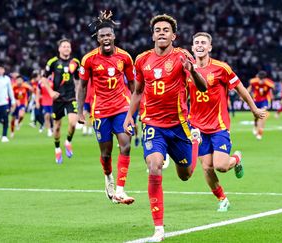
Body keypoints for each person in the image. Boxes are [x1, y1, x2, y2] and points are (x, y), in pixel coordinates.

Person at [122, 14, 207, 242]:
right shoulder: (142, 60)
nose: (161, 32)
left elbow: (203, 87)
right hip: (153, 124)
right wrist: (130, 116)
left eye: (166, 30)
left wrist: (194, 70)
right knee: (154, 165)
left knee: (186, 175)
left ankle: (195, 141)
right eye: (158, 29)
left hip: (179, 126)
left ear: (173, 36)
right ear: (152, 35)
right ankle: (158, 228)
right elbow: (138, 91)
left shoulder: (182, 57)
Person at [188, 32, 266, 212]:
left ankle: (236, 158)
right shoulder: (187, 70)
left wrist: (254, 109)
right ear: (192, 48)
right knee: (207, 167)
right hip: (197, 127)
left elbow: (240, 88)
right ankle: (222, 199)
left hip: (218, 125)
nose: (199, 45)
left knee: (221, 166)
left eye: (203, 43)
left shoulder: (221, 68)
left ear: (209, 48)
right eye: (196, 42)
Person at [77, 10, 135, 205]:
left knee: (125, 145)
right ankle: (108, 177)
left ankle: (120, 189)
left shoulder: (125, 57)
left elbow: (134, 84)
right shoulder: (89, 59)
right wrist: (79, 112)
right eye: (102, 36)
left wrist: (136, 109)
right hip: (101, 110)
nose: (106, 38)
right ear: (98, 39)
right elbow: (82, 86)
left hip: (122, 107)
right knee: (106, 153)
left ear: (114, 36)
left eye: (109, 34)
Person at [41, 38, 80, 164]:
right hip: (58, 98)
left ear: (71, 49)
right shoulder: (53, 62)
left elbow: (78, 80)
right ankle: (57, 148)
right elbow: (44, 79)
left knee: (73, 123)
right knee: (57, 127)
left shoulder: (75, 62)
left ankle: (68, 141)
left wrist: (79, 94)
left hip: (71, 97)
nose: (66, 48)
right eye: (64, 46)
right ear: (59, 49)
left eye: (68, 46)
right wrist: (51, 92)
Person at [248, 71, 274, 140]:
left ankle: (259, 133)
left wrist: (271, 95)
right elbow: (250, 87)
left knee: (262, 116)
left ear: (265, 79)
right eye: (259, 79)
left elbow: (272, 87)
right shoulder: (253, 82)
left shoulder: (268, 83)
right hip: (256, 101)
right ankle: (255, 125)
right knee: (256, 117)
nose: (260, 81)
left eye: (262, 80)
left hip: (264, 101)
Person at [35, 71, 54, 137]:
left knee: (53, 116)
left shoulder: (52, 80)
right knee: (47, 116)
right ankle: (49, 130)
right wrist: (37, 102)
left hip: (53, 101)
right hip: (45, 102)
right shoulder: (40, 83)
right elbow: (38, 93)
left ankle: (53, 128)